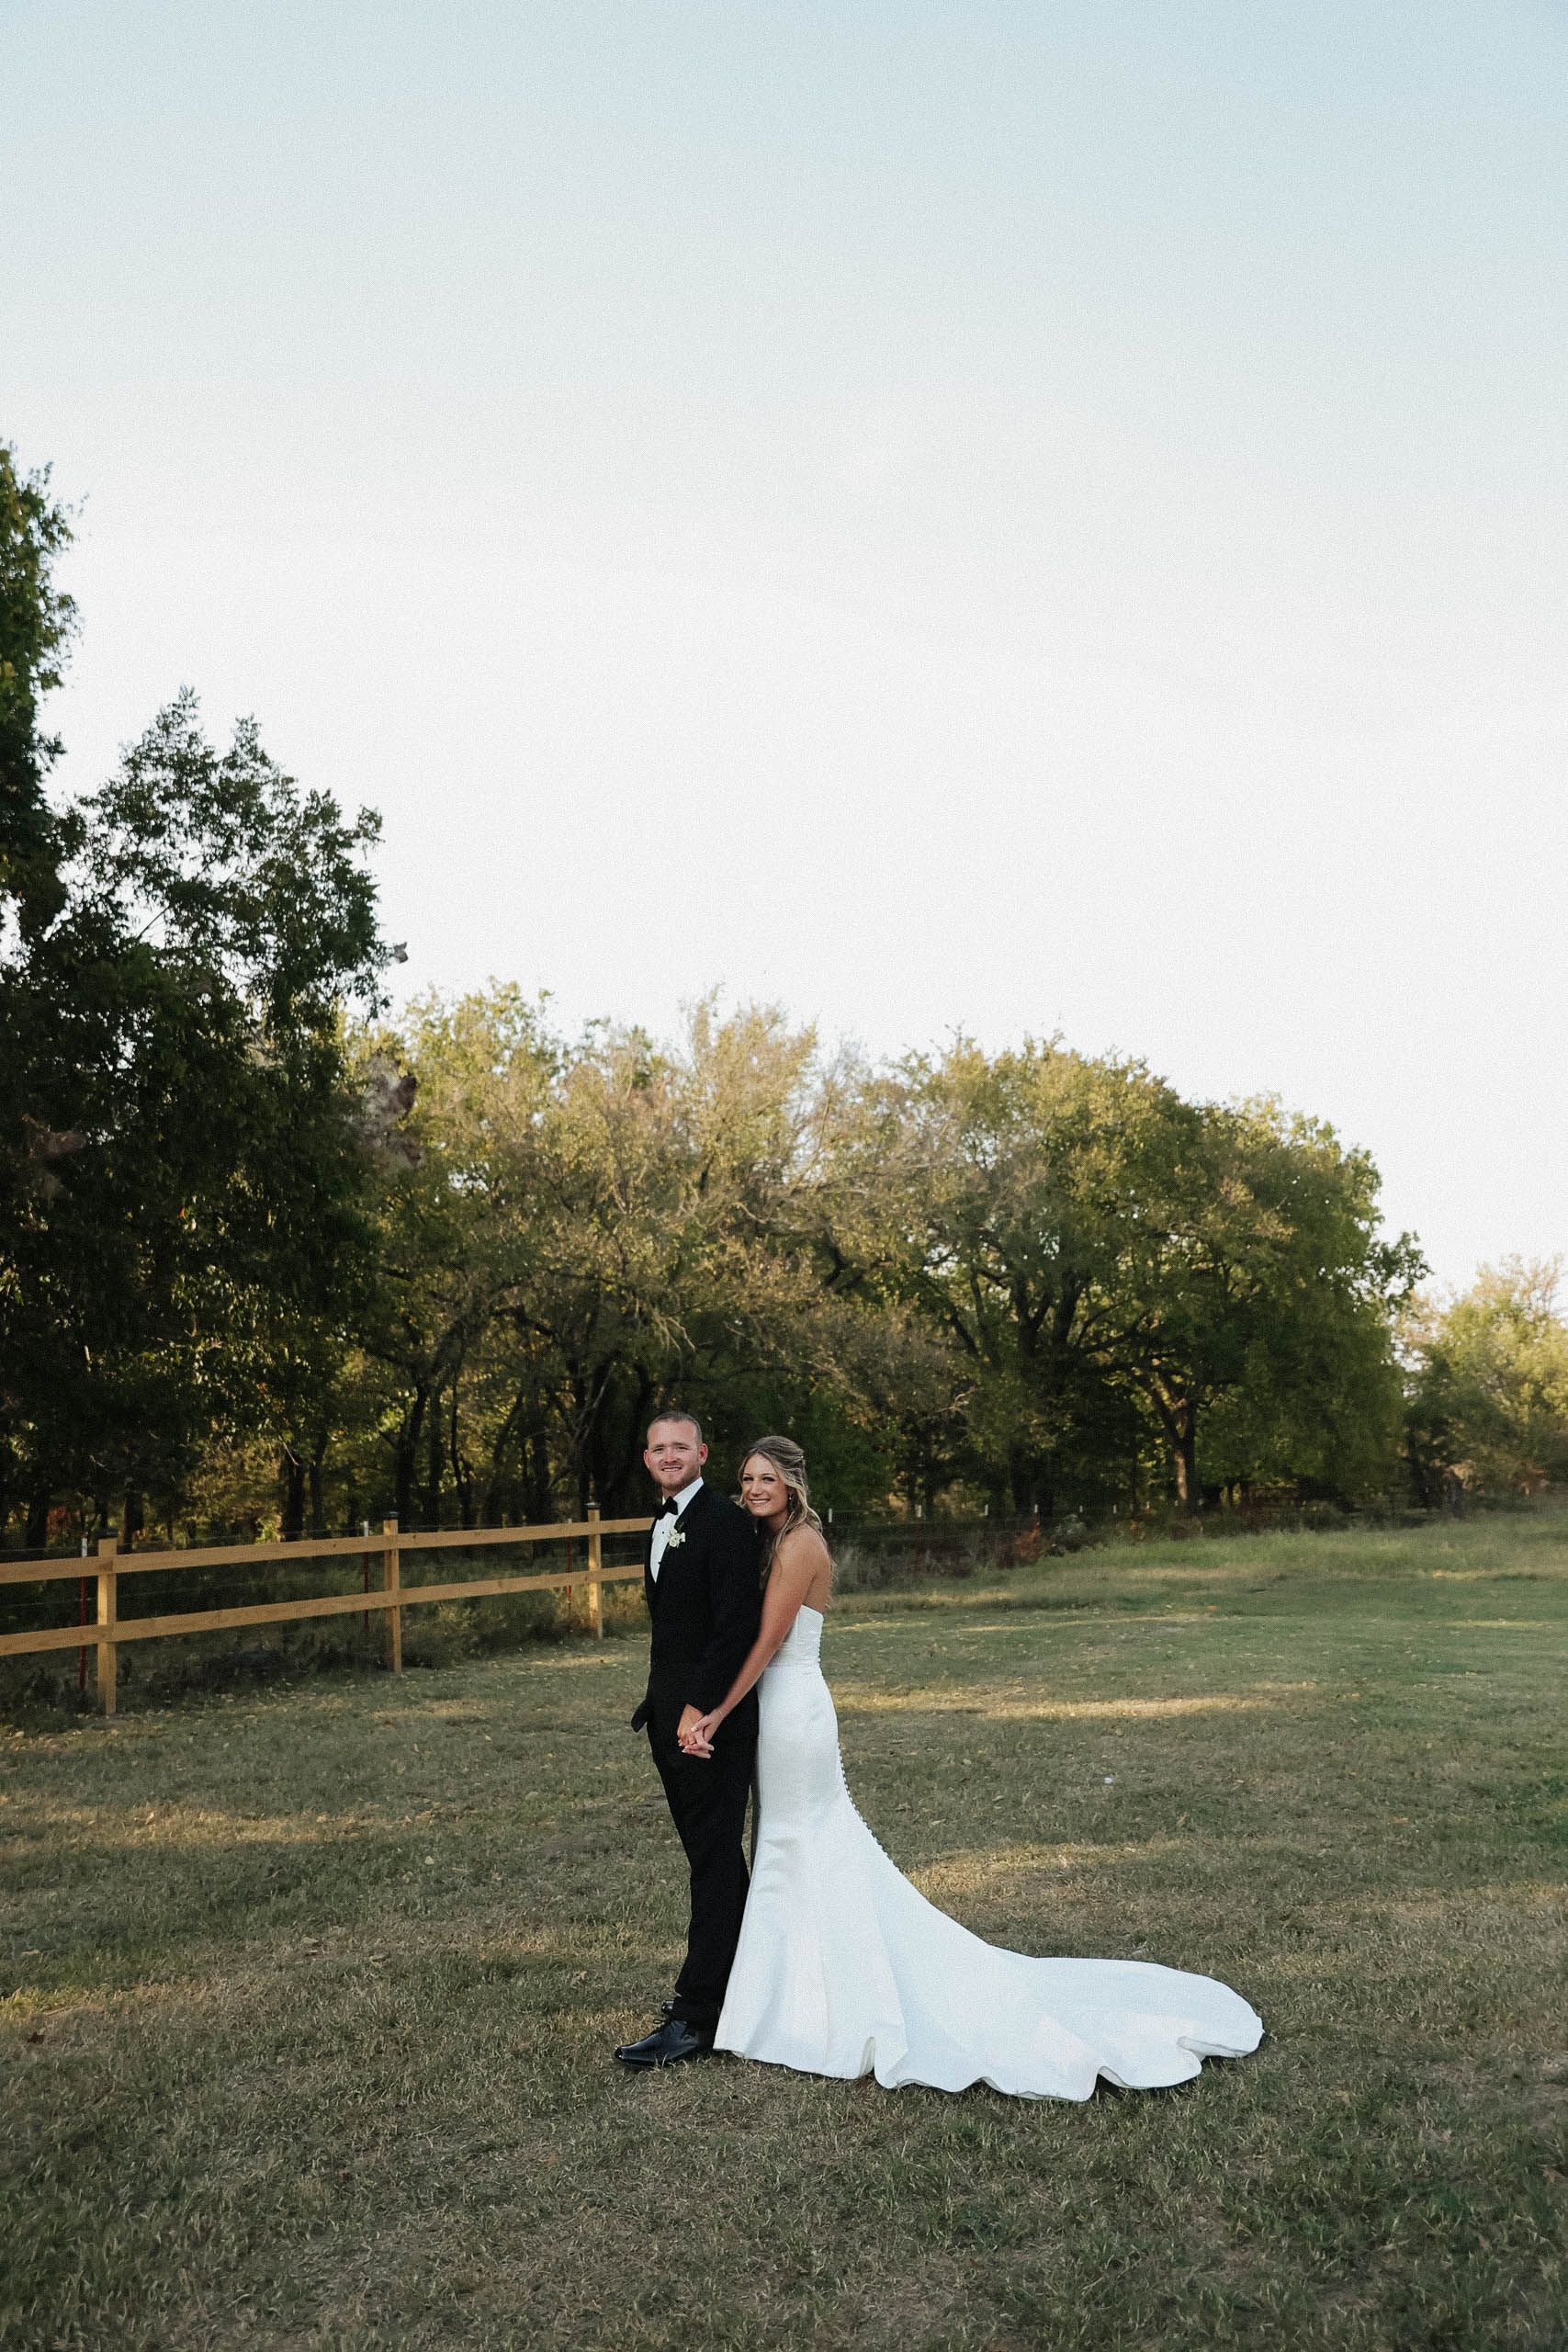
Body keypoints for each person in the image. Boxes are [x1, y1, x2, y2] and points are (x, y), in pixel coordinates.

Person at [681, 1435, 1264, 2098]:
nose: (753, 1488)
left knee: (799, 1838)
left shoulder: (799, 1545)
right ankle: (790, 1996)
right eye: (746, 1479)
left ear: (792, 1483)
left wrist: (716, 1710)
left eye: (765, 1478)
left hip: (790, 1707)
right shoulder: (770, 1541)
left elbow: (769, 1640)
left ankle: (813, 2006)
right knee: (790, 1838)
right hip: (775, 1706)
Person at [613, 1409, 761, 2069]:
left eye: (680, 1446)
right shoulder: (664, 1519)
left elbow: (734, 1627)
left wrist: (699, 1709)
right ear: (646, 1459)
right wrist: (661, 1702)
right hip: (670, 1718)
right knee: (715, 1859)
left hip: (706, 1726)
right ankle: (733, 1989)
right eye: (657, 1448)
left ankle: (697, 2016)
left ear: (703, 1452)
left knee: (712, 1859)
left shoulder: (726, 1525)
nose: (669, 1456)